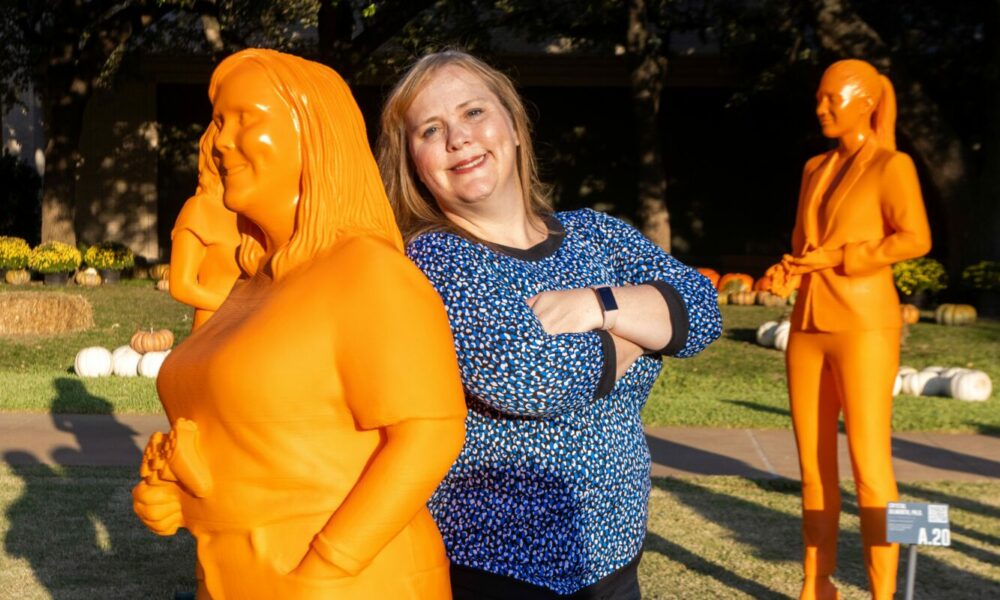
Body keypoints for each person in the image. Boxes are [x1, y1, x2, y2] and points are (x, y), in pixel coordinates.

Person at [377, 50, 722, 599]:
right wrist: (643, 327)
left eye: (473, 113)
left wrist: (597, 305)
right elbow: (532, 378)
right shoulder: (436, 259)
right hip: (498, 572)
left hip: (614, 556)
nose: (458, 139)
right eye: (431, 129)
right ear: (413, 162)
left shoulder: (595, 233)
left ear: (514, 127)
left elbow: (701, 310)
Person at [131, 48, 467, 599]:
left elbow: (430, 435)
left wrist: (326, 567)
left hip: (354, 584)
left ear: (314, 133)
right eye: (218, 123)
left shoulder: (369, 273)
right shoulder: (242, 286)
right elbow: (244, 440)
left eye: (246, 119)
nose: (220, 141)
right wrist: (176, 498)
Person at [775, 59, 931, 600]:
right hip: (807, 325)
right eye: (819, 97)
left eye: (832, 98)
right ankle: (816, 584)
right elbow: (806, 243)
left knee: (870, 464)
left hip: (865, 325)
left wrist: (843, 257)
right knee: (813, 468)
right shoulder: (813, 168)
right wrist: (790, 269)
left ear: (866, 103)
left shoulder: (893, 166)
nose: (821, 108)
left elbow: (914, 238)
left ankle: (883, 593)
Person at [168, 122, 243, 330]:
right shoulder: (198, 208)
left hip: (252, 329)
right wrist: (236, 307)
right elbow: (181, 286)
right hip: (213, 330)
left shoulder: (247, 213)